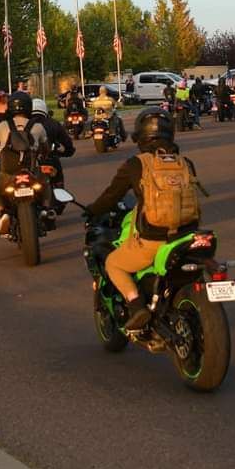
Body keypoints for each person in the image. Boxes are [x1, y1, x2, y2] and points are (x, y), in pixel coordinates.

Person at [83, 109, 203, 332]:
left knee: (114, 263)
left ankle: (137, 306)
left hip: (154, 240)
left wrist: (91, 210)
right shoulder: (185, 162)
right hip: (188, 234)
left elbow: (111, 196)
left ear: (141, 135)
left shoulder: (136, 164)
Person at [0, 95, 48, 236]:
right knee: (46, 183)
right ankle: (46, 209)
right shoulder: (37, 126)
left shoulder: (2, 126)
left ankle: (3, 212)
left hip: (9, 172)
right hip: (31, 171)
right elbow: (45, 148)